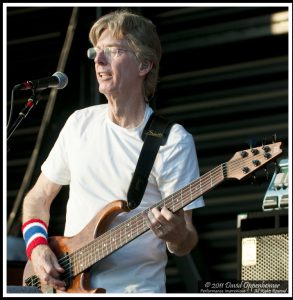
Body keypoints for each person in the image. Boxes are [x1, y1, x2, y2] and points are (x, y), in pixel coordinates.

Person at [21, 9, 204, 293]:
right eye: (96, 51)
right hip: (69, 288)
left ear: (144, 65)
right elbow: (37, 199)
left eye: (113, 51)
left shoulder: (173, 141)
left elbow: (186, 241)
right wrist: (37, 247)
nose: (99, 59)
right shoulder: (79, 124)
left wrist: (177, 235)